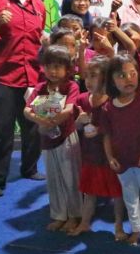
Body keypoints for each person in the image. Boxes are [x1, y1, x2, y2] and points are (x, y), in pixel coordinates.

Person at [0, 0, 46, 198]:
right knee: (1, 131)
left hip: (34, 76)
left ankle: (30, 168)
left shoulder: (38, 5)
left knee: (34, 127)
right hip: (5, 76)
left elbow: (38, 38)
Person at [101, 53, 140, 248]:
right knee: (130, 197)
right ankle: (136, 229)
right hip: (121, 161)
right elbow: (107, 136)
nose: (128, 79)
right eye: (121, 75)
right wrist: (110, 158)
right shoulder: (108, 108)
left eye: (132, 73)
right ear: (111, 80)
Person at [23, 45, 81, 232]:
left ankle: (74, 215)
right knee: (53, 179)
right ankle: (58, 215)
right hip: (47, 140)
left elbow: (70, 109)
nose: (53, 71)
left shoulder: (71, 86)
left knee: (70, 177)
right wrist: (39, 119)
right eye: (49, 66)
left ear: (67, 68)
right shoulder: (40, 87)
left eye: (58, 66)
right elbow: (27, 109)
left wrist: (54, 119)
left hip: (67, 138)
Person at [69, 56, 126, 240]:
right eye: (86, 76)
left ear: (106, 78)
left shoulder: (113, 101)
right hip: (90, 155)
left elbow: (118, 129)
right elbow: (75, 126)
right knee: (89, 190)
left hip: (110, 156)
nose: (88, 80)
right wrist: (79, 122)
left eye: (93, 75)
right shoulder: (82, 99)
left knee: (117, 193)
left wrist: (99, 129)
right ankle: (85, 223)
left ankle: (118, 226)